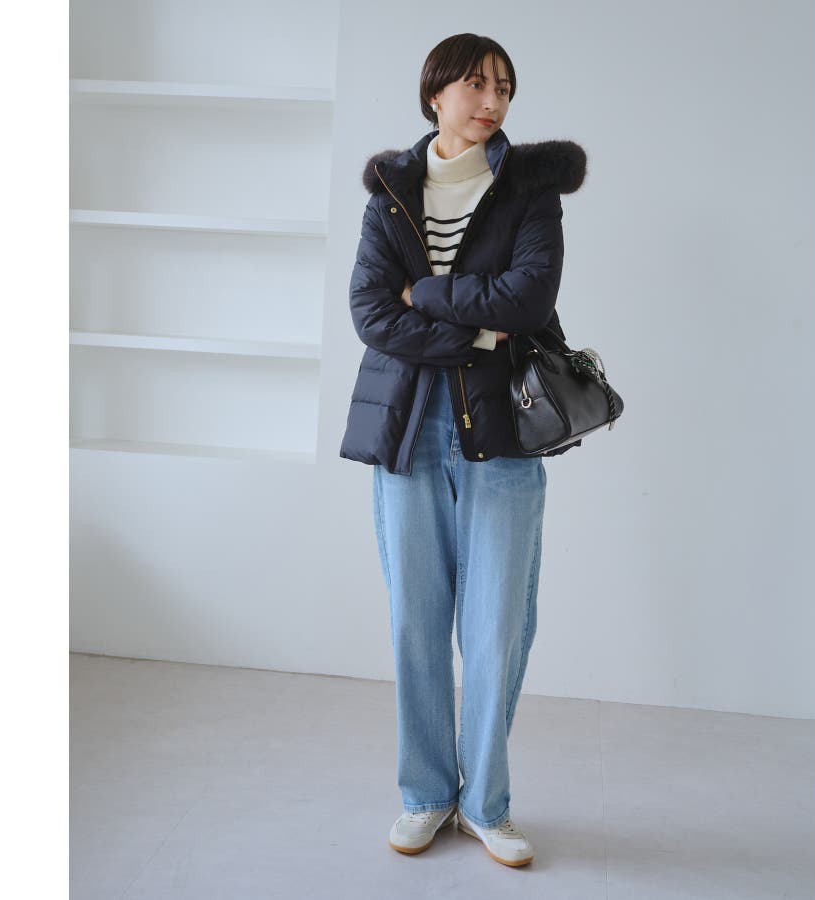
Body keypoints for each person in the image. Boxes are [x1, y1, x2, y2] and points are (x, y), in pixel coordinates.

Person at [339, 33, 586, 867]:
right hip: (407, 431)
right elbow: (372, 311)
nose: (492, 101)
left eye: (504, 88)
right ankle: (425, 795)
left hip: (504, 434)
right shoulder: (390, 191)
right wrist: (473, 332)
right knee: (416, 622)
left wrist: (430, 296)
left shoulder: (530, 188)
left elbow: (529, 299)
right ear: (435, 93)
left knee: (496, 629)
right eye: (477, 85)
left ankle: (486, 803)